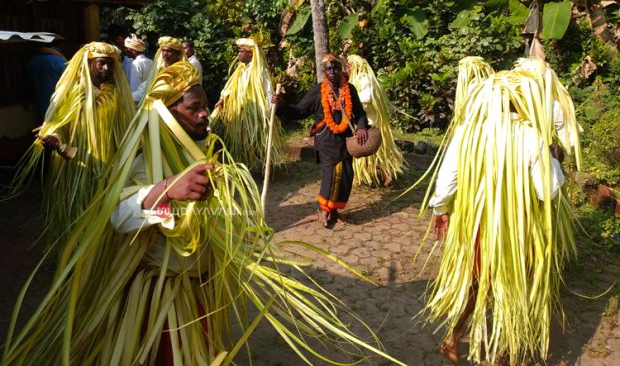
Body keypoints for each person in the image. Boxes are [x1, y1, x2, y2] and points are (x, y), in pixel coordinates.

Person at [1, 61, 406, 366]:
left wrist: (240, 223)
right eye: (195, 108)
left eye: (205, 106)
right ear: (166, 112)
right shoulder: (143, 156)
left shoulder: (205, 149)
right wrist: (165, 191)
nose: (204, 114)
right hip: (160, 296)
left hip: (201, 287)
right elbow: (117, 215)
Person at [424, 71, 575, 366]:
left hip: (477, 226)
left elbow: (448, 179)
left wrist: (440, 210)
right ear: (522, 103)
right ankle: (502, 356)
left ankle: (453, 338)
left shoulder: (467, 131)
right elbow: (549, 191)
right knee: (514, 288)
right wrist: (554, 158)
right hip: (518, 231)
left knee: (474, 282)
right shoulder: (531, 136)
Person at [9, 42, 135, 255]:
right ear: (88, 64)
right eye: (102, 64)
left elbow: (128, 127)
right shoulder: (71, 94)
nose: (107, 69)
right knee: (82, 211)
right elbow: (58, 126)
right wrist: (55, 140)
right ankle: (79, 253)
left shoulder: (118, 94)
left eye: (111, 65)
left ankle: (107, 250)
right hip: (79, 166)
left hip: (112, 164)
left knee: (110, 207)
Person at [275, 53, 369, 227]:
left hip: (346, 140)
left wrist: (362, 126)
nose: (332, 71)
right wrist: (282, 106)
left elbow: (360, 113)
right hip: (325, 139)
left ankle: (334, 209)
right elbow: (299, 111)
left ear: (340, 69)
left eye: (335, 68)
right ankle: (324, 210)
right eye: (329, 69)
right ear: (324, 71)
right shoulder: (318, 90)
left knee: (346, 175)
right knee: (330, 175)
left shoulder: (350, 89)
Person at [210, 37, 286, 171]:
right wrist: (222, 100)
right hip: (239, 115)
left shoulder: (260, 72)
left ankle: (264, 167)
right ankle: (245, 168)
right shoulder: (239, 70)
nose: (238, 54)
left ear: (250, 53)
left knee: (257, 142)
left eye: (241, 51)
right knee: (242, 142)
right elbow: (230, 87)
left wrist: (268, 114)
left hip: (256, 116)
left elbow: (268, 92)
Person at [345, 54, 405, 187]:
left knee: (375, 151)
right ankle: (365, 176)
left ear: (355, 67)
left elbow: (366, 99)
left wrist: (351, 103)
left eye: (349, 67)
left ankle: (387, 172)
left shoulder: (366, 79)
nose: (347, 69)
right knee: (370, 153)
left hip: (370, 122)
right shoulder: (356, 79)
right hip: (362, 121)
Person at [132, 35, 186, 104]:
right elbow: (147, 86)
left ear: (178, 53)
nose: (165, 54)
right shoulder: (159, 70)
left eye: (169, 51)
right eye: (163, 50)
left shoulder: (183, 71)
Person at [25, 39, 67, 121]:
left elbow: (28, 83)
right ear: (59, 45)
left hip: (40, 104)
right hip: (58, 104)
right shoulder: (61, 61)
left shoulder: (33, 61)